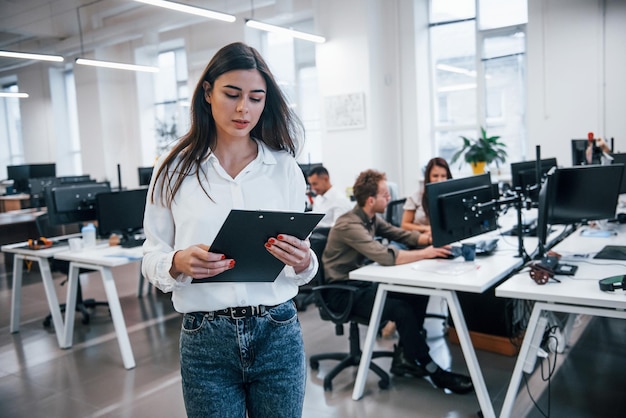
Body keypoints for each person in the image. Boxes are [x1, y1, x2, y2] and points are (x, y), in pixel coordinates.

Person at [141, 42, 318, 418]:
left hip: (277, 330)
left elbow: (300, 264)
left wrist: (304, 260)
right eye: (232, 94)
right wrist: (177, 261)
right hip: (206, 338)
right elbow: (151, 254)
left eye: (256, 98)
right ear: (208, 92)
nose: (244, 109)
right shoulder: (173, 169)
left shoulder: (284, 168)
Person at [322, 169, 473, 394]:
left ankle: (406, 357)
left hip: (361, 285)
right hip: (342, 293)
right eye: (386, 194)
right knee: (400, 309)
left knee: (417, 291)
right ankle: (432, 369)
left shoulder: (371, 219)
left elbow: (402, 235)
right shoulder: (349, 225)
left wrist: (434, 239)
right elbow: (385, 256)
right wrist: (429, 252)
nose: (390, 198)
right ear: (371, 200)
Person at [401, 157, 452, 234]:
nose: (439, 180)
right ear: (428, 177)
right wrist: (426, 229)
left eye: (443, 176)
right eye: (435, 176)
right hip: (418, 239)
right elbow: (404, 225)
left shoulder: (452, 197)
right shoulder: (415, 197)